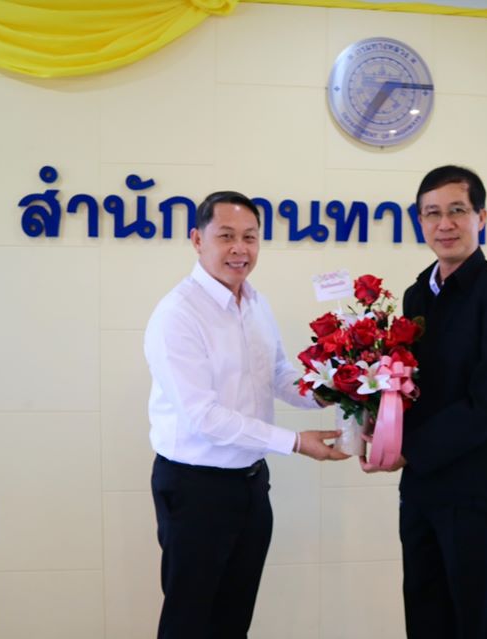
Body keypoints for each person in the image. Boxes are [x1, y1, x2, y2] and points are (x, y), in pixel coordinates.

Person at [144, 190, 348, 639]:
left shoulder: (255, 302)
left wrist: (333, 389)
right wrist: (296, 442)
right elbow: (204, 417)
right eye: (227, 236)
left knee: (233, 619)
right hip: (195, 489)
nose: (240, 248)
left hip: (251, 485)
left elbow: (277, 373)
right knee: (189, 622)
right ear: (198, 240)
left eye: (250, 237)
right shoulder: (178, 314)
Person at [362, 166, 487, 638]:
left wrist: (409, 449)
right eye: (432, 213)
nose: (445, 224)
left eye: (457, 210)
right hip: (422, 491)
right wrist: (378, 422)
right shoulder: (417, 295)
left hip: (479, 494)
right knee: (424, 618)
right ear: (419, 221)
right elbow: (410, 386)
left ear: (482, 217)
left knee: (474, 624)